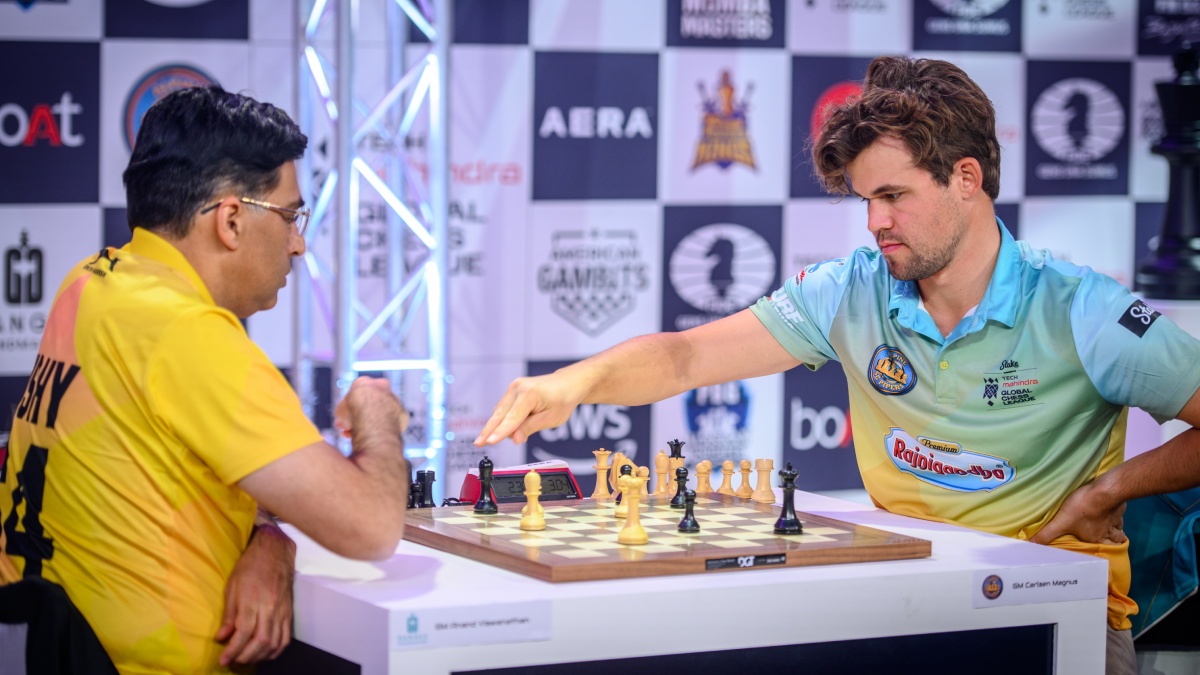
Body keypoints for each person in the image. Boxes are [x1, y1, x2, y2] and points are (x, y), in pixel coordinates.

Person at [474, 56, 1200, 675]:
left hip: (1055, 612)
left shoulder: (1081, 309)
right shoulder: (850, 290)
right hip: (906, 603)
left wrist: (1110, 489)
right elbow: (689, 355)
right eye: (866, 201)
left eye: (894, 196)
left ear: (966, 177)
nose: (875, 222)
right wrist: (578, 381)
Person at [0, 85, 411, 674]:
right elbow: (371, 528)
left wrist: (271, 542)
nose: (298, 244)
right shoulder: (187, 333)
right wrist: (376, 415)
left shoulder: (90, 283)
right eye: (291, 216)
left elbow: (174, 469)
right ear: (232, 220)